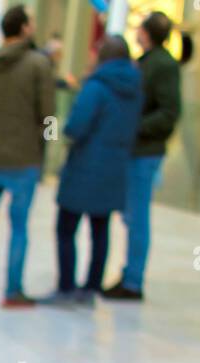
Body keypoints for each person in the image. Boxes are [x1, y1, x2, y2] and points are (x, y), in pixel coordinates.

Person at [40, 36, 141, 308]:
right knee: (100, 229)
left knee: (66, 228)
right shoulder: (135, 86)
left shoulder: (97, 86)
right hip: (115, 167)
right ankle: (91, 288)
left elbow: (77, 125)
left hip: (86, 166)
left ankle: (66, 287)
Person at [0, 5, 54, 307]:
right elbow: (48, 116)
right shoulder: (38, 64)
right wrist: (47, 149)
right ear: (25, 29)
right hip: (24, 160)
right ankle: (12, 291)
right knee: (18, 228)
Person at [103, 11, 182, 301]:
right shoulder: (148, 63)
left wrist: (135, 127)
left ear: (147, 33)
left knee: (137, 217)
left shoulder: (163, 65)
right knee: (130, 215)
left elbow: (169, 112)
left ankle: (133, 281)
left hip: (145, 153)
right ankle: (129, 275)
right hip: (136, 151)